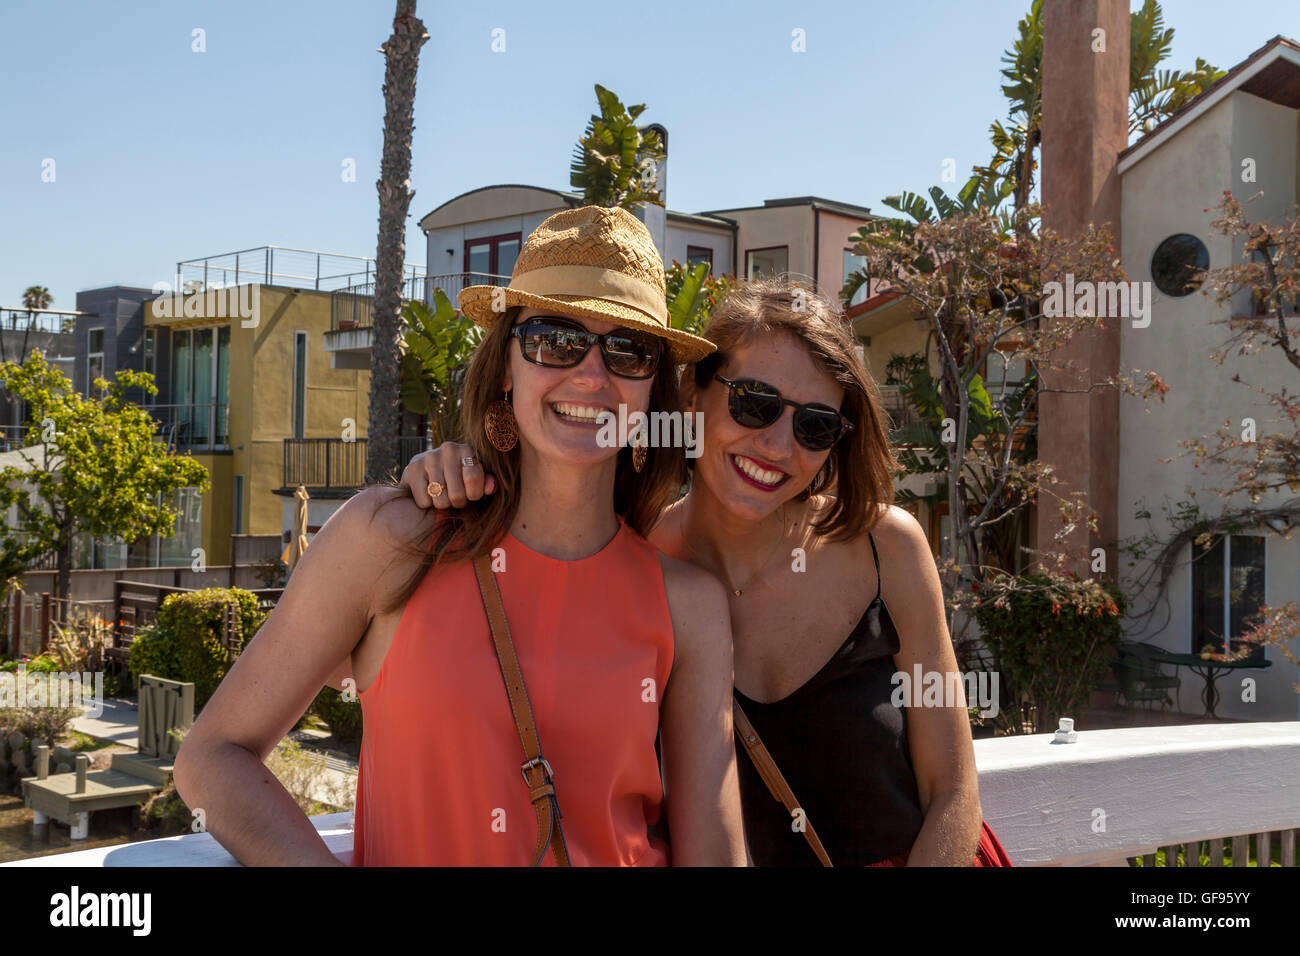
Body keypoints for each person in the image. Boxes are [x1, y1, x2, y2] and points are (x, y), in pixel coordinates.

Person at [173, 205, 748, 866]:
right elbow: (211, 760)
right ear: (506, 364)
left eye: (628, 350)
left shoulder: (688, 605)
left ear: (652, 391)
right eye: (555, 339)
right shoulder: (390, 540)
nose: (592, 374)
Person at [401, 275, 1008, 866]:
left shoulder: (886, 547)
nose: (776, 445)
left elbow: (953, 788)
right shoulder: (633, 566)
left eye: (815, 425)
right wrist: (450, 468)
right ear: (693, 399)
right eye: (754, 404)